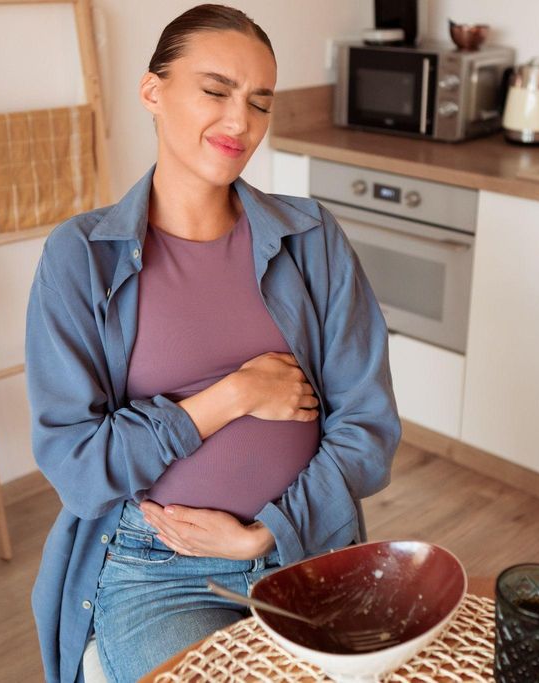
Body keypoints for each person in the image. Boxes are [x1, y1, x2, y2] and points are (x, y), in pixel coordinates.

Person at [24, 4, 401, 682]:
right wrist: (231, 396)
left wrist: (269, 532)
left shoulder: (311, 239)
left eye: (259, 103)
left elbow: (368, 427)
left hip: (307, 553)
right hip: (158, 574)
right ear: (152, 91)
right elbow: (77, 465)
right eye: (216, 90)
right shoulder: (82, 258)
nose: (240, 123)